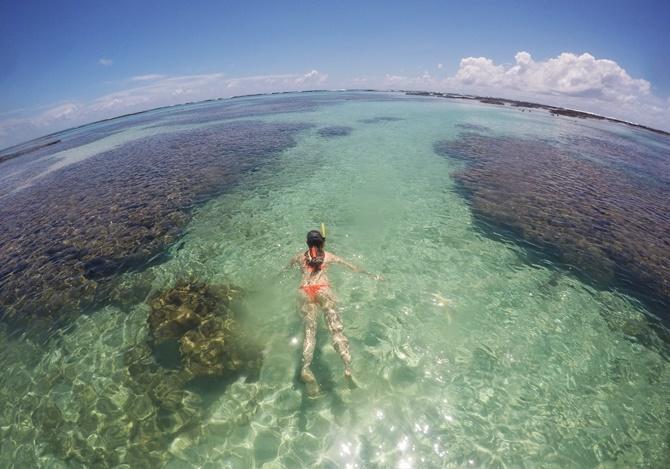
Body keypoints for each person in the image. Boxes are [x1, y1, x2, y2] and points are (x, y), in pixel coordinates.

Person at [289, 229, 380, 395]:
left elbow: (283, 272)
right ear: (322, 243)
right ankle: (347, 367)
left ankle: (306, 368)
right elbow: (354, 268)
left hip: (304, 290)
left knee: (310, 331)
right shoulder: (329, 256)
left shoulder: (298, 257)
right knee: (335, 329)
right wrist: (372, 275)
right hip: (323, 289)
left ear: (307, 244)